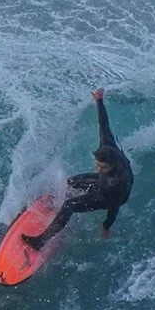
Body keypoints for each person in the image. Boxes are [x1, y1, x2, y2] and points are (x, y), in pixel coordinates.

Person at [25, 89, 133, 250]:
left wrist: (106, 227)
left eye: (101, 166)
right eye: (97, 163)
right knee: (72, 181)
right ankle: (55, 204)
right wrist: (99, 101)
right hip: (103, 181)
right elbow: (104, 123)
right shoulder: (107, 145)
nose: (97, 167)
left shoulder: (116, 184)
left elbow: (114, 208)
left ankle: (39, 243)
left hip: (108, 195)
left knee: (70, 205)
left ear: (111, 166)